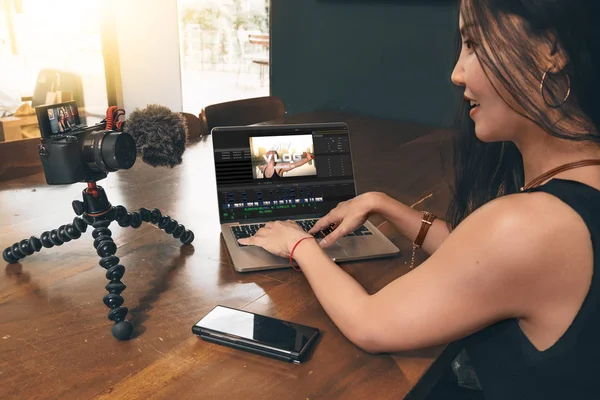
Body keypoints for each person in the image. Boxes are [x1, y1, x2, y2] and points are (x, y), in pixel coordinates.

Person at [239, 0, 600, 398]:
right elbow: (485, 262)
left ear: (551, 49)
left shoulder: (530, 225)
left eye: (474, 43)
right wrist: (384, 204)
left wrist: (298, 244)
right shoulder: (578, 186)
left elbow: (370, 323)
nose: (457, 72)